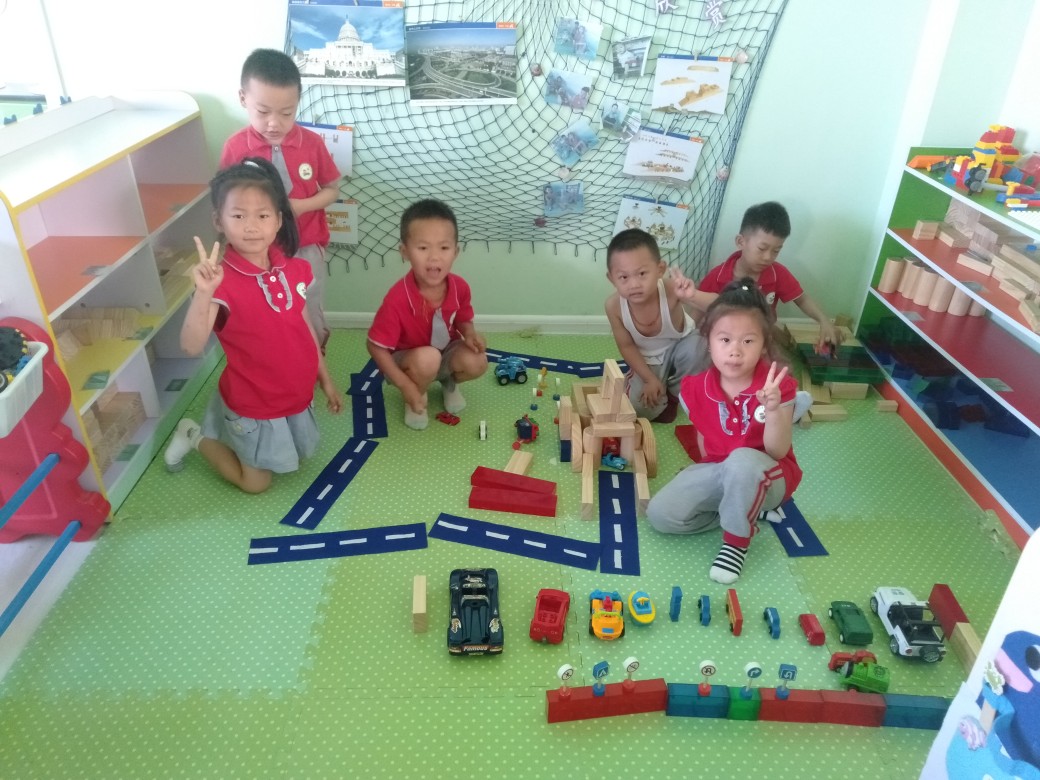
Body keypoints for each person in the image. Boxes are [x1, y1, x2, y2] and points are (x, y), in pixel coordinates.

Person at [164, 159, 343, 492]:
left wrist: (326, 378)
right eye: (238, 216)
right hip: (254, 402)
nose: (251, 226)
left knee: (294, 455)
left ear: (278, 220)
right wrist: (204, 293)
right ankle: (193, 434)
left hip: (295, 392)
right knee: (256, 484)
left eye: (262, 216)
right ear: (218, 220)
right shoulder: (221, 283)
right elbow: (190, 346)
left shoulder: (296, 269)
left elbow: (305, 329)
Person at [645, 279, 802, 584]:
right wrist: (699, 476)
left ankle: (736, 542)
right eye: (725, 340)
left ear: (763, 345)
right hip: (724, 471)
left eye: (748, 341)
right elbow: (707, 444)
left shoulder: (777, 385)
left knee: (742, 460)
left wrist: (773, 410)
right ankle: (743, 510)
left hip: (771, 477)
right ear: (709, 341)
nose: (735, 351)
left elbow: (777, 452)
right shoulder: (694, 388)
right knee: (660, 515)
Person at [220, 48, 341, 353]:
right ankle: (279, 360)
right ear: (243, 99)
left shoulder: (312, 143)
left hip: (306, 245)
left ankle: (315, 357)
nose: (274, 123)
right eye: (263, 112)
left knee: (309, 306)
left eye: (286, 113)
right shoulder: (235, 147)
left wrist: (300, 206)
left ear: (297, 103)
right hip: (256, 251)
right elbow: (224, 202)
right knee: (266, 312)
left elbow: (332, 189)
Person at [367, 199, 488, 430]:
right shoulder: (397, 299)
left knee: (477, 361)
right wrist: (405, 386)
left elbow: (463, 317)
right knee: (427, 359)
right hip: (409, 360)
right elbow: (375, 347)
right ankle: (416, 393)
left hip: (444, 352)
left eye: (444, 248)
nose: (434, 257)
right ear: (405, 252)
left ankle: (448, 382)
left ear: (456, 252)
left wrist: (470, 333)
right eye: (423, 248)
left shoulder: (460, 287)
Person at [605, 229, 716, 422]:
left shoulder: (671, 289)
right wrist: (649, 379)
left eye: (642, 273)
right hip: (648, 359)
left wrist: (693, 296)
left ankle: (674, 396)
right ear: (611, 278)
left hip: (682, 349)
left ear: (660, 269)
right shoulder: (613, 306)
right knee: (634, 409)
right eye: (624, 277)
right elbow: (627, 346)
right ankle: (659, 387)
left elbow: (721, 305)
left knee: (700, 346)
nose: (634, 284)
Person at [700, 201, 844, 349]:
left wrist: (824, 321)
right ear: (740, 242)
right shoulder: (717, 276)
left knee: (786, 350)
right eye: (762, 248)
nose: (768, 257)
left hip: (763, 339)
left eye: (776, 251)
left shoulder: (778, 273)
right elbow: (696, 312)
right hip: (727, 343)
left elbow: (802, 300)